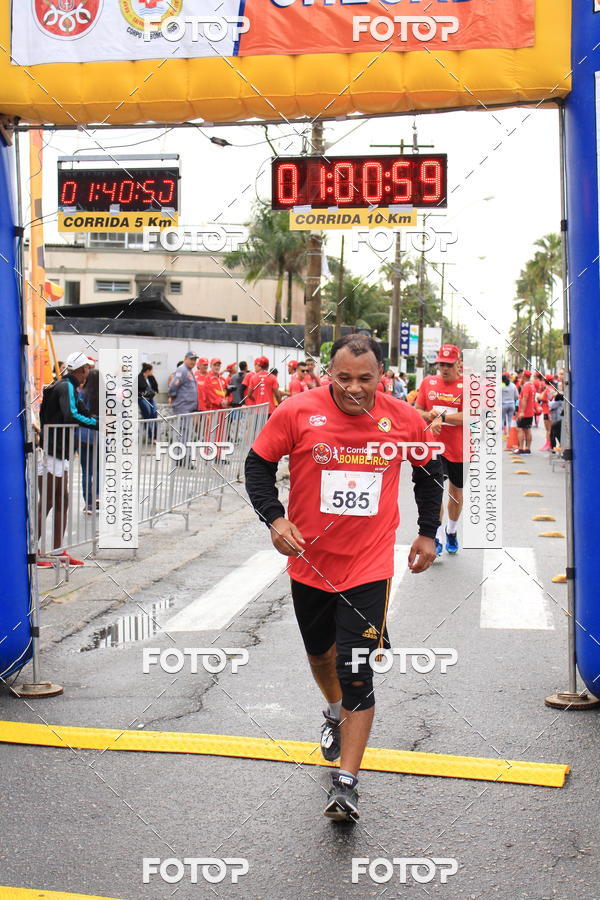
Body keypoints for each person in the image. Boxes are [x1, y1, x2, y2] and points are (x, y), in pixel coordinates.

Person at [245, 334, 442, 822]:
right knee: (320, 656)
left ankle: (347, 783)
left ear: (382, 376)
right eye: (344, 377)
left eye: (365, 378)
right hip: (309, 562)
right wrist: (275, 518)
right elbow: (258, 465)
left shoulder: (403, 418)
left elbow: (429, 469)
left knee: (357, 670)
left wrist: (427, 533)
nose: (354, 389)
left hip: (369, 567)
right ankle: (332, 711)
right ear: (328, 373)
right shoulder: (296, 411)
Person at [37, 351, 98, 568]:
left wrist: (103, 420)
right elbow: (71, 416)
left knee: (60, 500)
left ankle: (57, 550)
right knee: (48, 502)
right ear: (82, 370)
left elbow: (83, 411)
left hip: (58, 451)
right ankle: (33, 551)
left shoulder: (68, 386)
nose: (88, 373)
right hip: (50, 451)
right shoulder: (65, 386)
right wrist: (99, 425)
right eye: (88, 369)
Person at [415, 344, 464, 557]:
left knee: (456, 493)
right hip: (434, 447)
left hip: (459, 448)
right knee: (436, 491)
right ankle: (437, 536)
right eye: (441, 364)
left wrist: (442, 418)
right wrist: (428, 416)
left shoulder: (468, 386)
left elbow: (472, 415)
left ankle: (451, 531)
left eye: (449, 364)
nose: (444, 369)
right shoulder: (428, 383)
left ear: (458, 363)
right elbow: (417, 410)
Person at [79, 368, 100, 514]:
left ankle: (88, 503)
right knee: (98, 468)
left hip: (84, 434)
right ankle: (97, 496)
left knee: (86, 470)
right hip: (101, 434)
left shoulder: (81, 394)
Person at [515, 370, 535, 454]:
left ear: (524, 376)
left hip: (525, 412)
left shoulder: (526, 386)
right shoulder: (531, 385)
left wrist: (522, 411)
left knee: (519, 429)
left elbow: (525, 398)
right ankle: (527, 448)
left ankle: (520, 448)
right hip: (530, 411)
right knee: (527, 429)